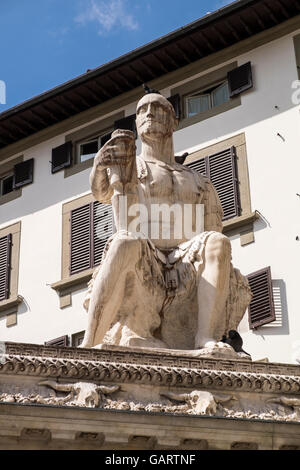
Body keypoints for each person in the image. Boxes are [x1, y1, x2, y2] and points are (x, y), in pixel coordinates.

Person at [81, 92, 251, 351]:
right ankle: (88, 344)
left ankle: (204, 339)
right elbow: (101, 191)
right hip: (145, 259)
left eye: (157, 108)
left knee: (218, 241)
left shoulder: (199, 181)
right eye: (142, 110)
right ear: (137, 123)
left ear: (174, 121)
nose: (149, 113)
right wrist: (99, 165)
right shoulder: (129, 166)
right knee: (124, 240)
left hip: (186, 264)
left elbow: (212, 229)